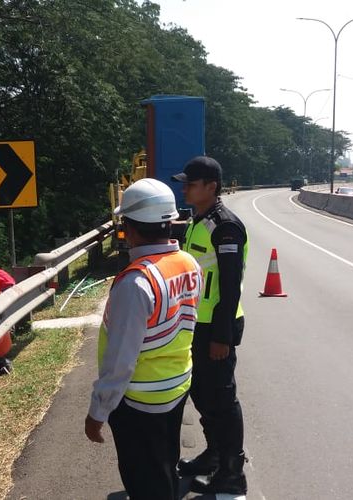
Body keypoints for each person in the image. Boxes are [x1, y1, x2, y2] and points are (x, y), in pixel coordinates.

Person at [85, 178, 202, 499]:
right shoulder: (189, 263)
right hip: (177, 386)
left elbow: (121, 360)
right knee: (164, 464)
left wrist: (98, 412)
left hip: (139, 400)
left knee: (143, 480)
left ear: (130, 228)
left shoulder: (136, 283)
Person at [171, 156, 249, 495]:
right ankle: (214, 454)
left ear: (211, 187)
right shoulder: (197, 221)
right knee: (202, 395)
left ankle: (232, 471)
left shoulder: (225, 226)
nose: (184, 188)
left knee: (222, 400)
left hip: (217, 326)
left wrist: (221, 336)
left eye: (190, 183)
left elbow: (230, 286)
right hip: (196, 325)